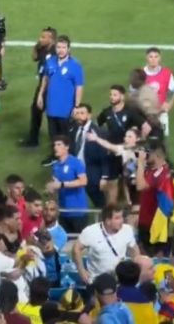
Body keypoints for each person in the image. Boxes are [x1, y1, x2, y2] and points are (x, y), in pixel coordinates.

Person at [37, 35, 83, 166]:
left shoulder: (75, 66)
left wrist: (77, 106)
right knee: (54, 135)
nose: (61, 50)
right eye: (58, 47)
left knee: (66, 137)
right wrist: (40, 95)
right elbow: (45, 79)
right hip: (52, 107)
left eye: (63, 47)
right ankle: (55, 156)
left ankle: (69, 160)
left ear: (68, 49)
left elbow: (79, 87)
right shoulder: (50, 61)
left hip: (66, 109)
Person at [73, 203, 139, 283]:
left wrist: (137, 267)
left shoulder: (127, 229)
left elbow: (135, 250)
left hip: (120, 280)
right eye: (117, 218)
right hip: (96, 280)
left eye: (122, 217)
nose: (121, 221)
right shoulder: (90, 231)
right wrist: (81, 271)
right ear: (108, 221)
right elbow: (76, 249)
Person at [19, 26, 57, 149]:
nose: (40, 39)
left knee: (52, 117)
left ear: (51, 39)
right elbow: (34, 58)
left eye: (43, 37)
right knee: (35, 111)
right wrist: (36, 46)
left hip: (52, 88)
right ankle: (33, 140)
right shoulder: (42, 48)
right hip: (42, 86)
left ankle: (56, 145)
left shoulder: (56, 53)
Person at [134, 148, 174, 256]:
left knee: (152, 256)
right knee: (146, 253)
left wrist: (140, 163)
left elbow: (140, 186)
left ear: (158, 156)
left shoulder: (160, 173)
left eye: (149, 153)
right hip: (146, 220)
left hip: (154, 223)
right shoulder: (152, 170)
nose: (146, 155)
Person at [45, 135, 89, 234]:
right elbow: (56, 186)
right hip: (63, 212)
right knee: (65, 242)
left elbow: (83, 181)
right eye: (54, 145)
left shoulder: (76, 163)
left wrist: (62, 185)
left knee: (79, 242)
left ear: (67, 147)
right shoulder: (55, 166)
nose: (55, 147)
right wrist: (51, 189)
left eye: (59, 144)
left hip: (78, 211)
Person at [70, 103, 110, 208]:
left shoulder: (98, 132)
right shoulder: (74, 130)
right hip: (76, 173)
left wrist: (104, 176)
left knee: (100, 203)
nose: (79, 116)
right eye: (77, 113)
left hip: (92, 174)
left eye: (82, 113)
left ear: (89, 115)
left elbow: (104, 155)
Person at [144, 47, 174, 137]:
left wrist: (168, 103)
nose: (153, 59)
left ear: (160, 58)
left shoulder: (166, 73)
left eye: (156, 57)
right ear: (146, 58)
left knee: (162, 140)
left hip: (161, 114)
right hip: (144, 115)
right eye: (151, 57)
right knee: (144, 140)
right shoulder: (140, 73)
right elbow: (133, 93)